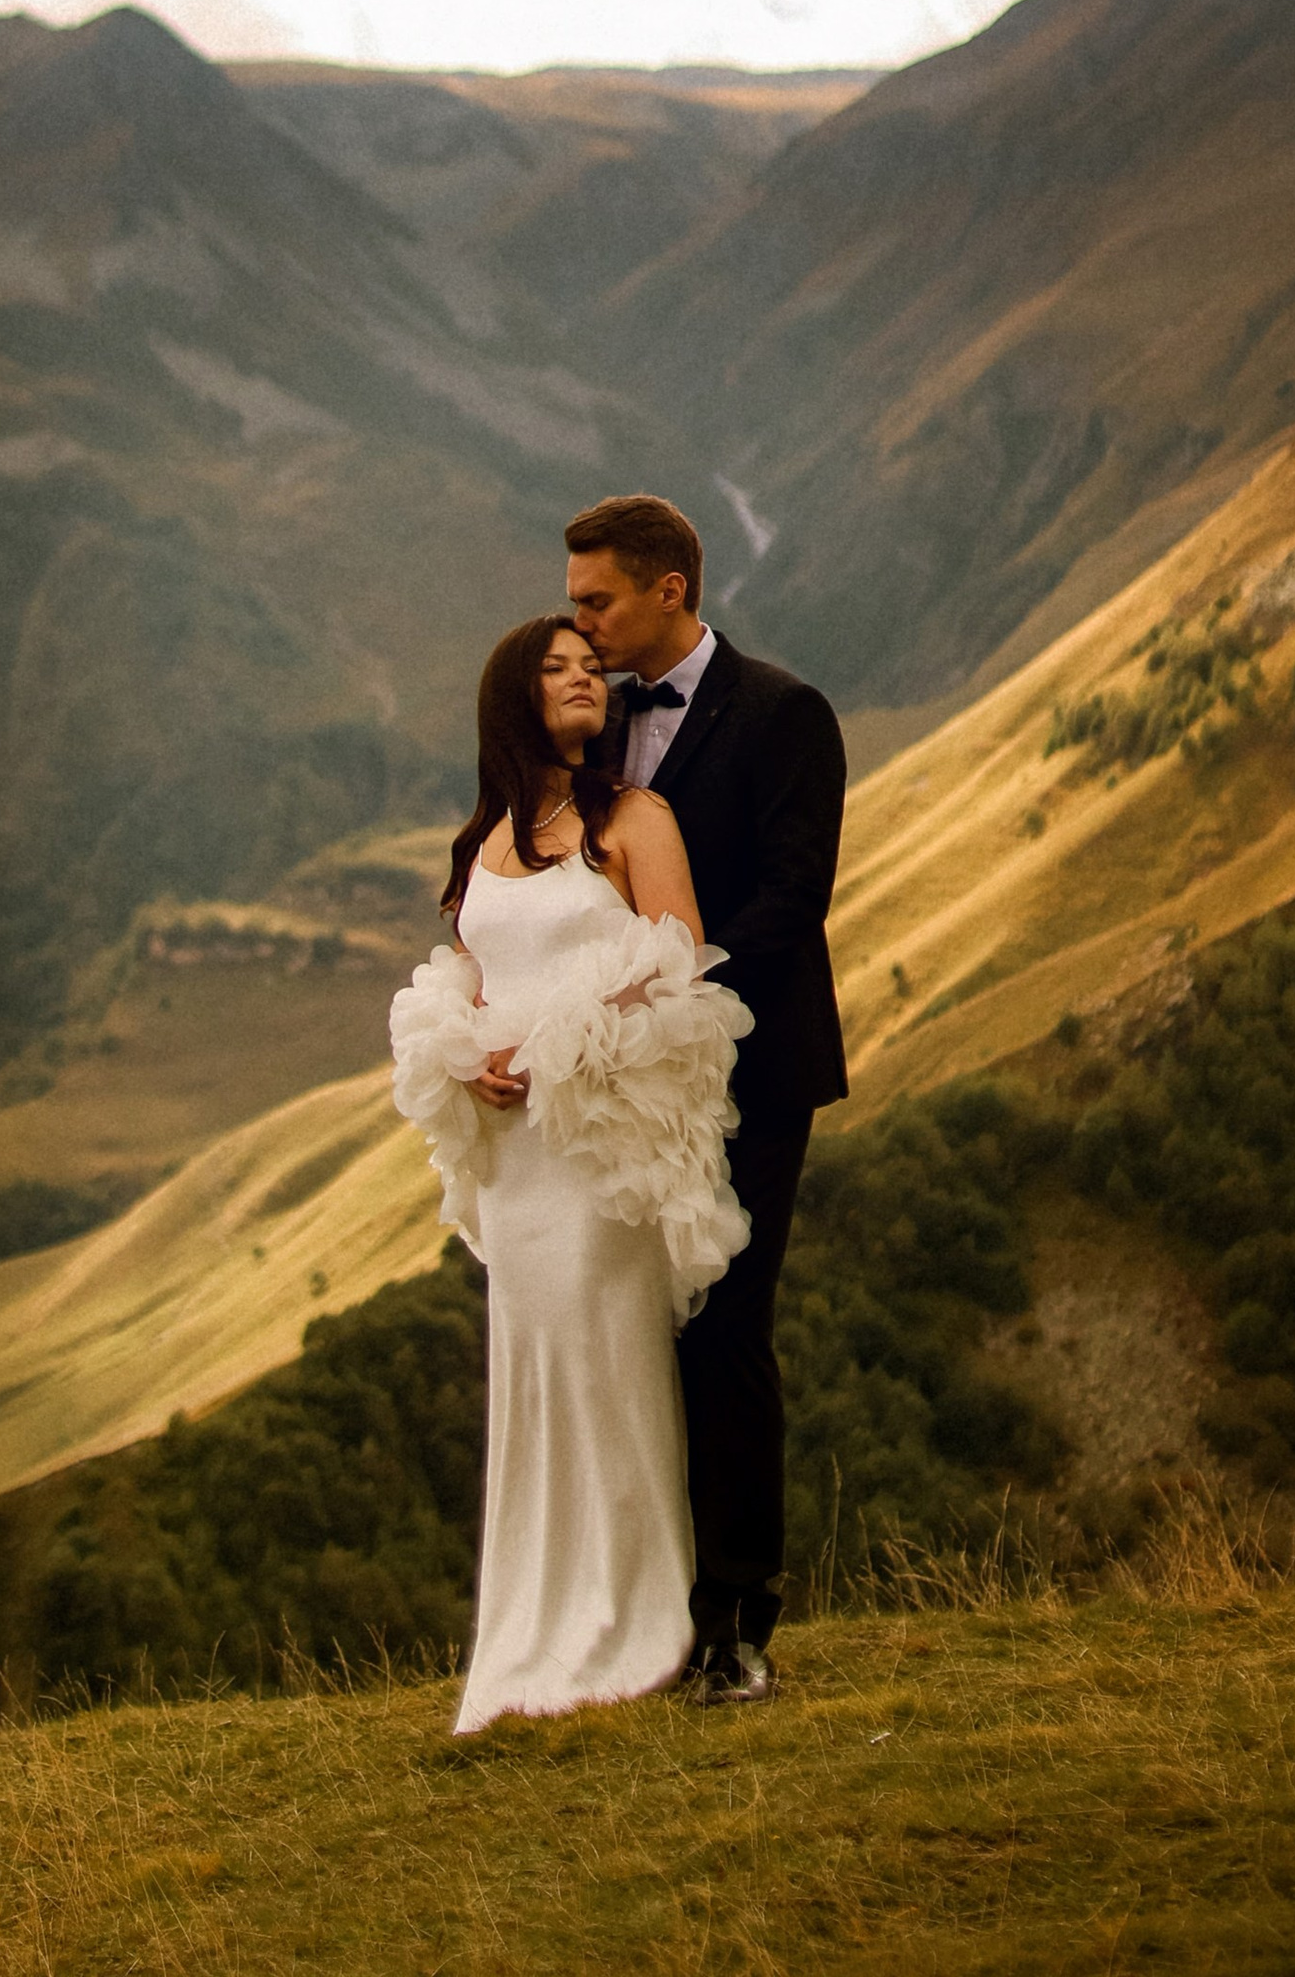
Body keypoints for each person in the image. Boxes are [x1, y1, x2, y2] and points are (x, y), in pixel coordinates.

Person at [390, 614, 752, 1731]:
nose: (582, 680)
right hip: (516, 1161)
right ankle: (534, 1632)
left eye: (590, 667)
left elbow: (675, 958)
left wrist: (548, 1044)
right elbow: (467, 967)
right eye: (555, 670)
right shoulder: (483, 841)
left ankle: (636, 1623)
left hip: (597, 1150)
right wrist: (465, 1053)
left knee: (610, 1361)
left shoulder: (631, 820)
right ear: (513, 697)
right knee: (534, 1371)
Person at [562, 489, 848, 1705]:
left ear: (667, 590)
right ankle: (641, 1618)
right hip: (625, 1097)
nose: (576, 620)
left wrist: (656, 997)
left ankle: (739, 1622)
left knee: (725, 1332)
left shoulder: (786, 714)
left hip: (751, 1076)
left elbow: (793, 899)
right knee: (633, 1340)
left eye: (596, 599)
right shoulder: (596, 727)